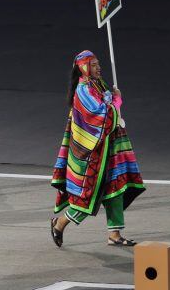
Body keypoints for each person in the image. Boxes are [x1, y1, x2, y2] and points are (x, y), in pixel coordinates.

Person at [50, 50, 145, 248]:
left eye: (98, 64)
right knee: (88, 198)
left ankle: (115, 235)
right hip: (92, 155)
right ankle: (59, 223)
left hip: (109, 149)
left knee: (116, 189)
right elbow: (102, 116)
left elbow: (108, 109)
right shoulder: (83, 90)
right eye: (93, 65)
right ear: (83, 68)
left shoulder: (97, 84)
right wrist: (116, 102)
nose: (98, 67)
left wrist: (113, 101)